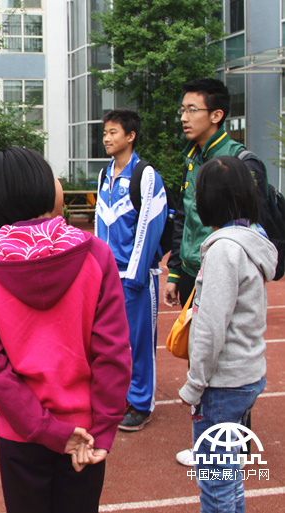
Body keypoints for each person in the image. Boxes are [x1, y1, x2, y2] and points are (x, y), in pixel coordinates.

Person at [0, 147, 131, 513]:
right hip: (86, 427)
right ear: (46, 186)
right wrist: (104, 428)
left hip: (21, 431)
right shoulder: (96, 254)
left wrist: (44, 428)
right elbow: (114, 352)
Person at [165, 77, 269, 466]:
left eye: (192, 109)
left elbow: (256, 222)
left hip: (225, 263)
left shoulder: (238, 162)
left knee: (225, 349)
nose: (184, 117)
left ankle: (230, 446)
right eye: (182, 110)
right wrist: (176, 270)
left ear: (217, 114)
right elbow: (184, 218)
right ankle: (214, 436)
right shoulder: (194, 156)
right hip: (197, 267)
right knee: (202, 346)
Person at [178, 156, 275, 513]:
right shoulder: (252, 241)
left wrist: (194, 384)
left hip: (222, 384)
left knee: (215, 481)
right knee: (228, 474)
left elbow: (210, 327)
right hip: (247, 375)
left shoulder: (223, 252)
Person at [94, 108, 168, 431]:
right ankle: (121, 396)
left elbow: (151, 226)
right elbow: (100, 226)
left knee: (139, 343)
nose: (107, 138)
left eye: (113, 132)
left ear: (130, 136)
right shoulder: (103, 174)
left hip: (135, 278)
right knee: (111, 342)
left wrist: (136, 275)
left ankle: (141, 403)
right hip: (107, 276)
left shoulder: (145, 175)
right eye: (105, 132)